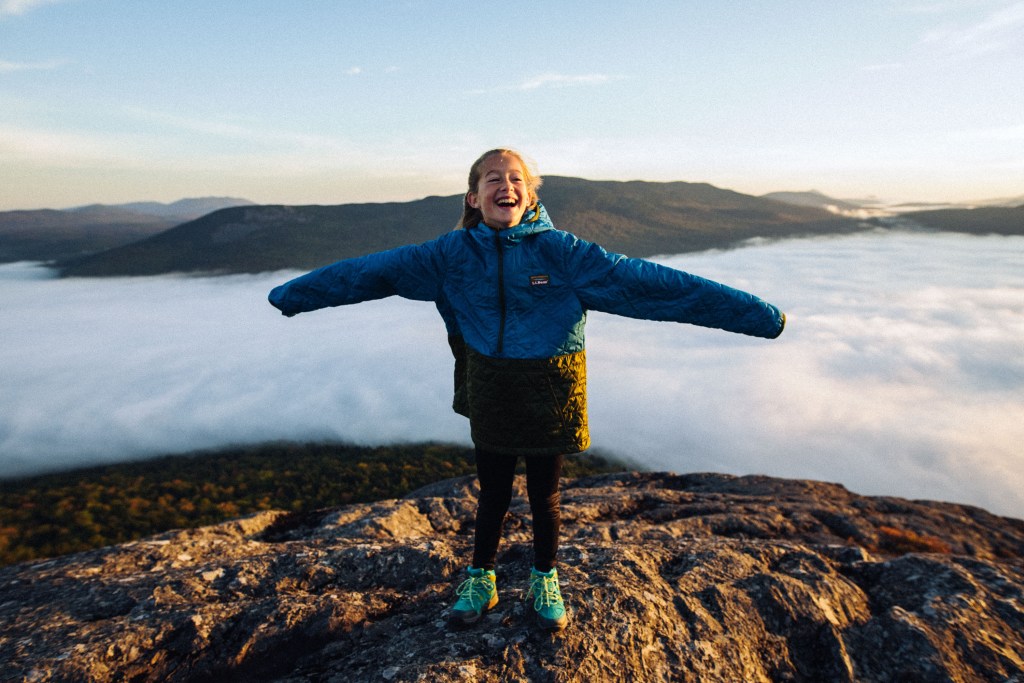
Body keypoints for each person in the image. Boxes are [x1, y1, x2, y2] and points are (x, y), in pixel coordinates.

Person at [268, 148, 786, 632]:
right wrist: (295, 295)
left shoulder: (562, 253)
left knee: (545, 494)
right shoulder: (450, 255)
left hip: (551, 389)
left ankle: (545, 578)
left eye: (517, 179)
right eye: (494, 178)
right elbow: (369, 273)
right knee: (492, 492)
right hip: (490, 385)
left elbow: (651, 284)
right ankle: (481, 578)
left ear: (530, 195)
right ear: (473, 197)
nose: (506, 185)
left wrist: (754, 315)